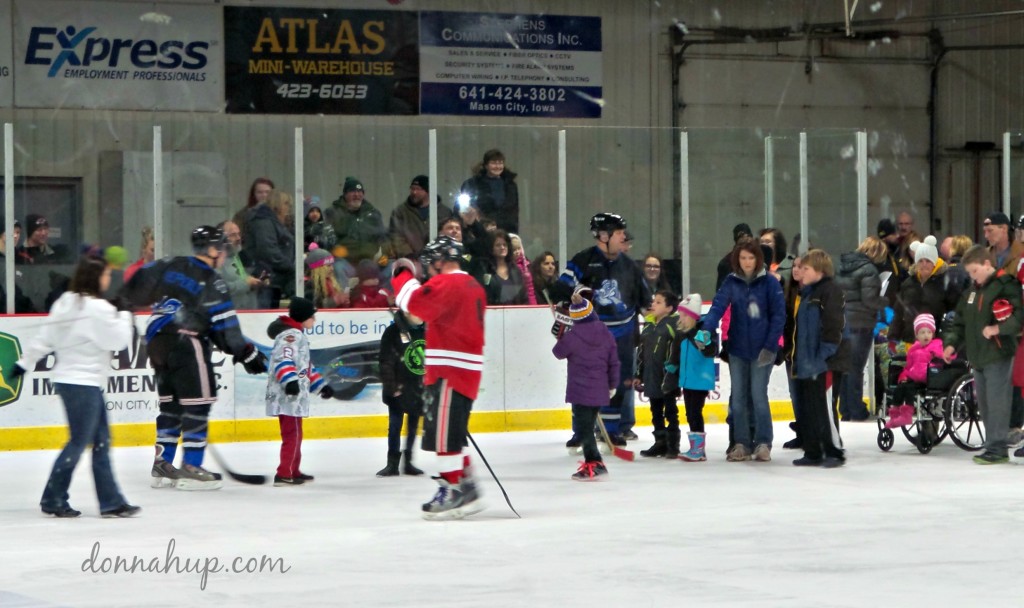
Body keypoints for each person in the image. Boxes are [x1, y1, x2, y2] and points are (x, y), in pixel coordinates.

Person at [120, 225, 269, 490]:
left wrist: (123, 301)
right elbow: (225, 328)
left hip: (156, 341)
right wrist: (247, 352)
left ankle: (163, 465)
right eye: (221, 249)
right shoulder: (213, 281)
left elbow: (137, 282)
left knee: (172, 406)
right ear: (212, 250)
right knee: (198, 404)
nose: (223, 255)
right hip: (186, 339)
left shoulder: (171, 264)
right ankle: (191, 466)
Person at [7, 253, 139, 517]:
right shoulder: (98, 309)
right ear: (95, 278)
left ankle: (111, 502)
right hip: (83, 384)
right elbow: (118, 341)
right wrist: (124, 314)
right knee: (79, 442)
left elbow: (45, 337)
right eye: (104, 275)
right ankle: (53, 499)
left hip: (72, 382)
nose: (107, 279)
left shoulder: (66, 302)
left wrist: (24, 362)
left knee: (101, 440)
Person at [391, 235, 486, 519]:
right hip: (466, 370)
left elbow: (412, 302)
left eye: (431, 264)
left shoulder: (447, 283)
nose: (429, 270)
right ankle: (466, 484)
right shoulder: (474, 285)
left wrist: (402, 273)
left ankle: (452, 489)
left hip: (449, 370)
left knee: (444, 437)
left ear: (442, 261)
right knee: (453, 432)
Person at [551, 213, 649, 446]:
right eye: (619, 233)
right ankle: (581, 431)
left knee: (618, 381)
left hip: (622, 334)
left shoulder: (629, 266)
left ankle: (612, 430)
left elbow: (644, 300)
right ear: (603, 236)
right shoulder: (582, 260)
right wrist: (573, 295)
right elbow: (559, 290)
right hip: (590, 335)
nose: (623, 237)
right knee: (583, 381)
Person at [702, 237, 785, 462]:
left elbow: (779, 316)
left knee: (758, 396)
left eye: (750, 258)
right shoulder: (731, 282)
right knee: (738, 398)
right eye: (743, 258)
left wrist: (770, 346)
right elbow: (717, 307)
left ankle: (763, 442)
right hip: (738, 348)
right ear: (736, 259)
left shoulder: (769, 282)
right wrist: (706, 330)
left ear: (758, 258)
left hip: (762, 350)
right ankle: (741, 443)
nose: (747, 262)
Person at [942, 245, 1023, 464]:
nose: (972, 277)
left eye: (974, 271)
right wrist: (951, 344)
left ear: (987, 264)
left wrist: (998, 329)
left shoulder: (1007, 285)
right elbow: (960, 321)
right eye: (969, 273)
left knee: (997, 402)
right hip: (977, 356)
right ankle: (992, 444)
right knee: (985, 404)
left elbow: (1018, 317)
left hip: (998, 354)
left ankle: (997, 448)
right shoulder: (972, 292)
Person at [552, 291, 619, 481]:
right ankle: (595, 462)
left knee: (584, 429)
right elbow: (614, 361)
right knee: (587, 427)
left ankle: (595, 463)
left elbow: (558, 352)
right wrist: (612, 384)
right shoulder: (605, 332)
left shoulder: (573, 336)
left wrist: (562, 334)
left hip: (580, 391)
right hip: (601, 390)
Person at [266, 297, 333, 486]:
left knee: (295, 433)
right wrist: (290, 381)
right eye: (313, 316)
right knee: (292, 434)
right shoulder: (291, 336)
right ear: (304, 317)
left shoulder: (297, 335)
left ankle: (293, 470)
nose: (315, 320)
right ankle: (284, 473)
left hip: (293, 396)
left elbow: (306, 367)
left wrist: (320, 386)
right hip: (288, 395)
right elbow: (283, 360)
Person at [790, 249, 847, 468]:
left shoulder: (830, 291)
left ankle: (834, 450)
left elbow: (834, 327)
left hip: (824, 362)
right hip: (807, 362)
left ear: (819, 271)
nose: (800, 271)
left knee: (823, 408)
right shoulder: (808, 294)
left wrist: (823, 355)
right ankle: (813, 450)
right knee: (810, 408)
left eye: (806, 268)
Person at [834, 236, 889, 421]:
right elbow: (870, 299)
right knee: (856, 368)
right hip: (861, 323)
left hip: (843, 322)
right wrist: (885, 301)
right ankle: (856, 408)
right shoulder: (869, 270)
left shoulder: (843, 266)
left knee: (844, 368)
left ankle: (845, 409)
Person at [666, 293, 718, 462]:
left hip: (700, 381)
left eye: (685, 314)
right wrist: (672, 367)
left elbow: (711, 352)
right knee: (690, 413)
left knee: (695, 412)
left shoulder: (703, 332)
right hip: (687, 380)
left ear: (694, 316)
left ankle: (698, 449)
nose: (681, 317)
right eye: (680, 313)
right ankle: (696, 448)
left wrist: (706, 343)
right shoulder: (681, 333)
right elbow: (675, 353)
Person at [376, 308, 427, 477]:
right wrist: (392, 386)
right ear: (407, 313)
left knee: (413, 426)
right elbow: (385, 361)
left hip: (418, 388)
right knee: (395, 426)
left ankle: (409, 462)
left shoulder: (426, 330)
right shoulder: (392, 332)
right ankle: (392, 463)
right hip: (398, 388)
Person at [888, 235, 962, 345]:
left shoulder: (946, 282)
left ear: (934, 262)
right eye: (920, 261)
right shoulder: (908, 283)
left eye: (928, 261)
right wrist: (893, 337)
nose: (924, 264)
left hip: (936, 341)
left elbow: (955, 311)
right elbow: (899, 313)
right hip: (910, 340)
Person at [634, 290, 681, 458]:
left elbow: (677, 351)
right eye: (654, 301)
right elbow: (641, 352)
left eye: (658, 302)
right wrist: (639, 373)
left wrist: (674, 372)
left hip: (667, 377)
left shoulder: (674, 324)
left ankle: (673, 443)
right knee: (655, 411)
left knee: (670, 410)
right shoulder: (648, 324)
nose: (653, 304)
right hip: (651, 376)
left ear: (669, 308)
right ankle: (660, 441)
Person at [885, 313, 946, 429]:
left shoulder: (936, 346)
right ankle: (895, 414)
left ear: (933, 334)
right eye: (922, 332)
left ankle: (907, 415)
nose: (926, 335)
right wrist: (903, 376)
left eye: (929, 332)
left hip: (929, 379)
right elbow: (908, 366)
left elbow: (944, 358)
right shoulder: (914, 349)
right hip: (914, 378)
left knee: (909, 389)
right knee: (900, 387)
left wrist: (938, 355)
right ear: (917, 335)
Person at [244, 189, 296, 308]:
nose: (289, 207)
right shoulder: (264, 221)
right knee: (265, 311)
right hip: (267, 275)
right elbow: (267, 249)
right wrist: (289, 266)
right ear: (277, 204)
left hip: (275, 276)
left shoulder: (274, 221)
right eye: (286, 203)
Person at [328, 177, 388, 270]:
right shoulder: (333, 213)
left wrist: (385, 254)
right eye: (352, 191)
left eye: (360, 191)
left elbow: (383, 237)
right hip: (345, 262)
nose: (357, 195)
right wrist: (335, 249)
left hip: (370, 262)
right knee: (338, 267)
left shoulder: (372, 213)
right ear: (345, 194)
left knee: (391, 267)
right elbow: (326, 238)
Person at [388, 175, 453, 260]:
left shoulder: (444, 212)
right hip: (410, 260)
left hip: (437, 260)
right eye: (412, 189)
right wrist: (409, 255)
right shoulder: (400, 212)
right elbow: (396, 236)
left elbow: (449, 236)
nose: (414, 192)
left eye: (418, 189)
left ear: (428, 191)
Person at [459, 149, 520, 234]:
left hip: (506, 231)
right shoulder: (473, 184)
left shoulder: (510, 185)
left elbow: (514, 212)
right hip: (480, 231)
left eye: (500, 163)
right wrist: (483, 223)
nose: (497, 166)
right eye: (494, 163)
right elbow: (469, 208)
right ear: (486, 165)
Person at [470, 229, 528, 305]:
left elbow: (523, 296)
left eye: (504, 245)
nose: (502, 247)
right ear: (491, 247)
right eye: (498, 245)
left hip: (514, 313)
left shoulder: (515, 269)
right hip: (492, 313)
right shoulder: (484, 269)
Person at [218, 220, 263, 311]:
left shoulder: (235, 257)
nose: (238, 238)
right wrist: (246, 283)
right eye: (233, 235)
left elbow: (242, 278)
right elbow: (218, 289)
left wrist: (255, 282)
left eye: (239, 234)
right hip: (229, 316)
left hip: (246, 313)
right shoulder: (217, 261)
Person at [305, 244, 348, 308]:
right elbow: (312, 307)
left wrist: (344, 302)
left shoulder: (331, 283)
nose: (332, 268)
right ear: (318, 268)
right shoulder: (309, 286)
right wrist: (335, 301)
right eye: (328, 265)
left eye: (331, 265)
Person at [716, 223, 753, 290]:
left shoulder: (759, 258)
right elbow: (721, 292)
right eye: (742, 237)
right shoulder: (726, 262)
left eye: (748, 236)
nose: (746, 239)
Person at [509, 233, 537, 304]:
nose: (517, 252)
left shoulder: (527, 265)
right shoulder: (508, 267)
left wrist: (533, 304)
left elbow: (531, 289)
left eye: (519, 249)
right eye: (514, 250)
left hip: (529, 301)